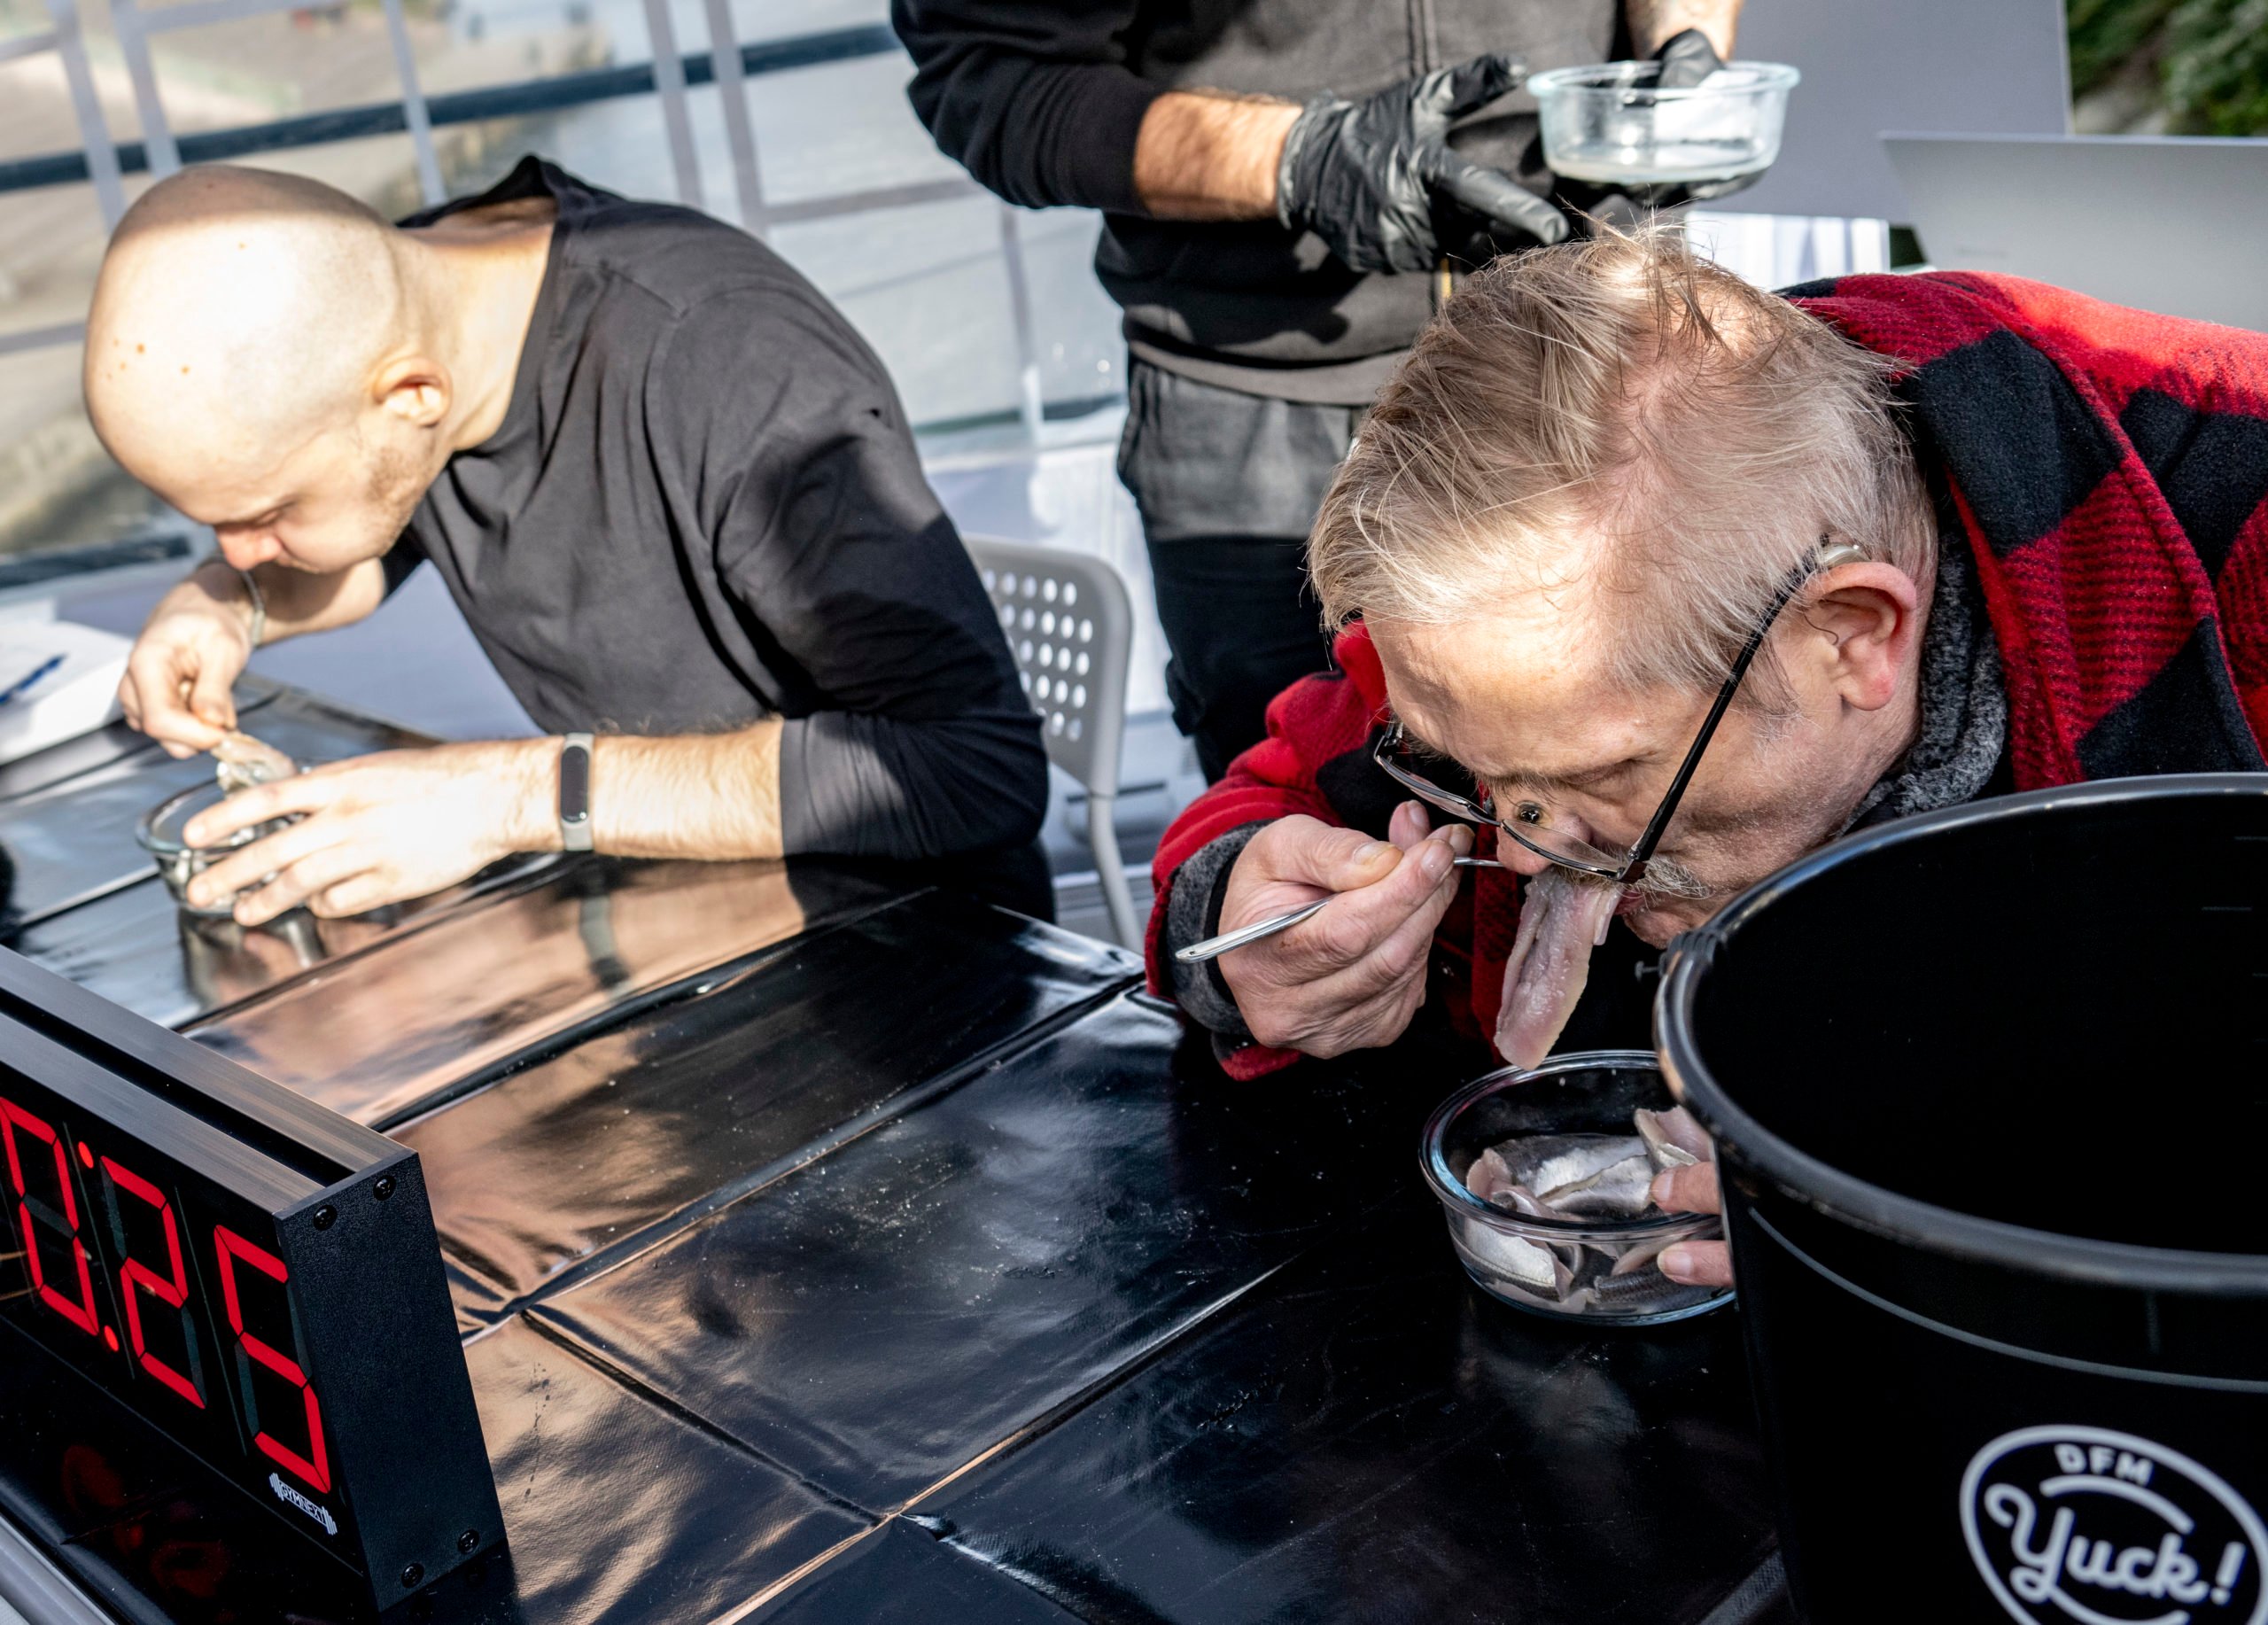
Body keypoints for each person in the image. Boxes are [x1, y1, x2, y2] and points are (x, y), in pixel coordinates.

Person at [1146, 226, 2268, 1285]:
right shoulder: (1555, 571)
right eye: (1484, 772)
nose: (1526, 853)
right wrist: (1238, 924)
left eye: (1598, 777)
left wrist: (1998, 1227)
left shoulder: (2234, 529)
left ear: (1850, 635)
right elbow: (1267, 797)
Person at [88, 157, 1049, 927]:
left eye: (263, 512)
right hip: (668, 907)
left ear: (412, 396)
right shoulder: (428, 303)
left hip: (918, 951)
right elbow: (385, 528)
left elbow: (974, 769)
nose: (245, 546)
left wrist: (499, 795)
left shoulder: (729, 365)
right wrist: (226, 599)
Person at [895, 0, 1744, 781]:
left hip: (1593, 347)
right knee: (1311, 825)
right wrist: (1301, 161)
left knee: (1645, 789)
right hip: (1257, 400)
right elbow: (989, 69)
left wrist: (1685, 46)